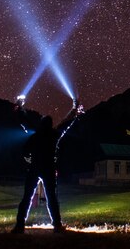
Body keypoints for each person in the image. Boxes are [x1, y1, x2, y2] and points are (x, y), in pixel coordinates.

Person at [11, 99, 83, 234]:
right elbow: (65, 124)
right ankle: (57, 225)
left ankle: (19, 226)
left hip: (34, 168)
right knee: (51, 197)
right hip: (48, 168)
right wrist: (75, 111)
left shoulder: (35, 136)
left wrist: (20, 109)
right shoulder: (54, 135)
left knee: (27, 197)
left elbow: (25, 126)